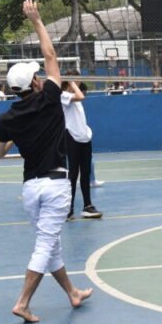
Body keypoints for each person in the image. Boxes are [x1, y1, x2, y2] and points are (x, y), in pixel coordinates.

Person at [0, 0, 92, 323]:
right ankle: (22, 302)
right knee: (45, 245)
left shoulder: (7, 118)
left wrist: (13, 137)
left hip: (30, 190)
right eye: (37, 76)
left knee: (51, 246)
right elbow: (50, 56)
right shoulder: (49, 98)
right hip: (55, 185)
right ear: (35, 83)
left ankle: (72, 293)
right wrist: (36, 20)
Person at [61, 71, 102, 220]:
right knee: (73, 174)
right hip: (72, 138)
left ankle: (87, 206)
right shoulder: (63, 95)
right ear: (69, 81)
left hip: (84, 138)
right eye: (76, 79)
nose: (79, 82)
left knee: (86, 172)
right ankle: (69, 209)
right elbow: (80, 96)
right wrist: (72, 82)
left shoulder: (75, 96)